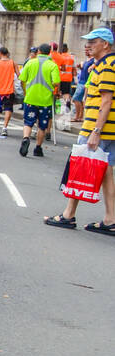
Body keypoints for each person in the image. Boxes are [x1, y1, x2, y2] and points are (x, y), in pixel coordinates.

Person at [45, 28, 115, 233]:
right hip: (107, 129)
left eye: (94, 42)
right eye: (88, 42)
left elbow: (106, 100)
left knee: (80, 169)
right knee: (106, 173)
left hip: (98, 127)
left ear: (106, 45)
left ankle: (68, 215)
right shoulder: (103, 64)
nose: (88, 45)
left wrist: (95, 130)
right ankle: (110, 219)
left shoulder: (107, 66)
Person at [17, 43, 60, 158]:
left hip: (30, 98)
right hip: (45, 101)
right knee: (42, 126)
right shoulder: (52, 65)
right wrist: (53, 87)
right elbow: (56, 82)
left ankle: (26, 138)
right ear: (49, 52)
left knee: (28, 122)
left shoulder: (30, 62)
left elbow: (22, 79)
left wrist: (25, 91)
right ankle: (38, 148)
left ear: (39, 51)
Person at [0, 46, 16, 136]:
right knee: (8, 109)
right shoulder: (13, 62)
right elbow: (19, 75)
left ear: (0, 53)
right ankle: (5, 128)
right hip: (10, 90)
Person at [53, 41, 76, 115]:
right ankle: (68, 102)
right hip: (68, 78)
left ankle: (57, 109)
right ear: (67, 49)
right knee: (66, 93)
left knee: (57, 94)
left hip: (59, 78)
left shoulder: (59, 56)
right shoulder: (71, 58)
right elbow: (74, 70)